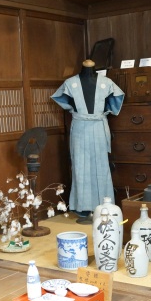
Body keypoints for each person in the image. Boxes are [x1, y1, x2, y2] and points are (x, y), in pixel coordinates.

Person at [51, 59, 125, 216]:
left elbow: (115, 101)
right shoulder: (70, 83)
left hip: (98, 125)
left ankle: (105, 205)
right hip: (79, 126)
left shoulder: (107, 83)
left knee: (102, 165)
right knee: (79, 165)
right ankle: (82, 206)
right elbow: (63, 100)